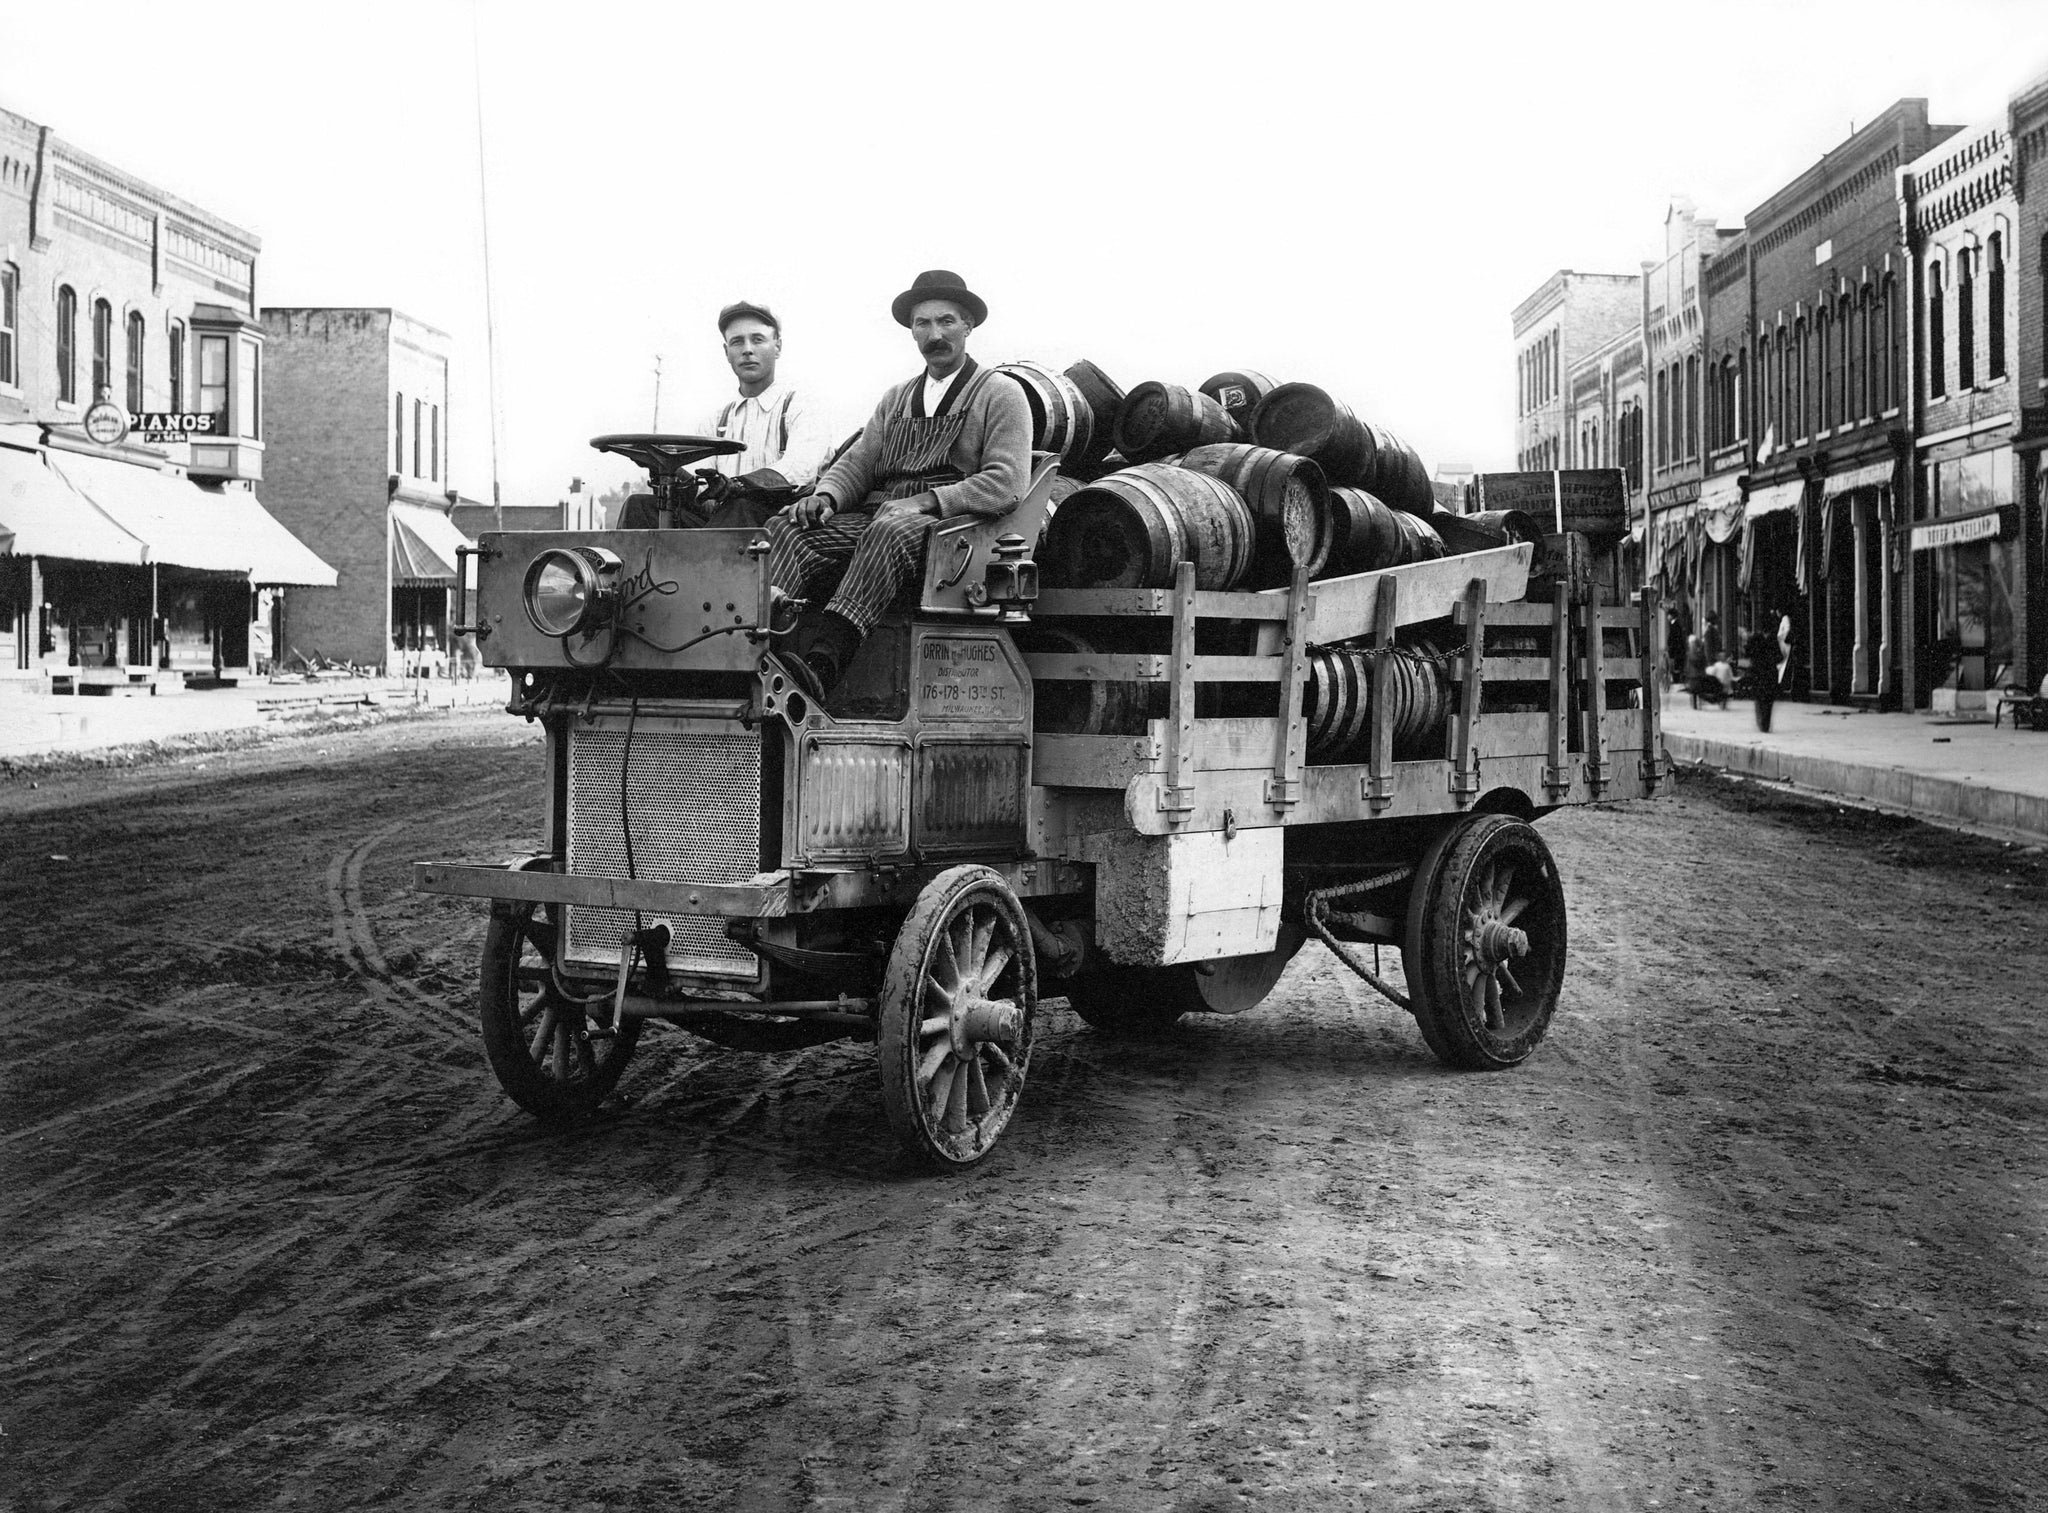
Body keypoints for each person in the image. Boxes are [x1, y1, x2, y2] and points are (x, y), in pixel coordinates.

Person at [765, 270, 1031, 698]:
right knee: (788, 529)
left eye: (946, 321)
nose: (935, 334)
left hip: (952, 532)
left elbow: (1007, 483)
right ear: (911, 331)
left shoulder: (1000, 393)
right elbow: (859, 463)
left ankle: (821, 665)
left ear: (969, 326)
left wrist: (927, 502)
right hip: (882, 516)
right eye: (923, 324)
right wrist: (825, 496)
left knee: (889, 528)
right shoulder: (897, 397)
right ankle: (757, 653)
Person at [618, 300, 833, 528]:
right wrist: (663, 467)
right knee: (639, 506)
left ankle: (700, 562)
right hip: (721, 523)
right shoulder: (717, 421)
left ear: (778, 346)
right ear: (726, 352)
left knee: (740, 505)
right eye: (737, 342)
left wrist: (739, 485)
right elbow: (699, 486)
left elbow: (801, 469)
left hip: (781, 522)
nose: (747, 349)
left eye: (758, 339)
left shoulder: (801, 406)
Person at [1746, 612, 1782, 731]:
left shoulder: (1755, 639)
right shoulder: (1773, 640)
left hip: (1757, 673)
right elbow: (1779, 657)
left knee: (1759, 699)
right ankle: (1765, 723)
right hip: (1770, 673)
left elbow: (1748, 653)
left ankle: (1761, 722)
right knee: (1768, 700)